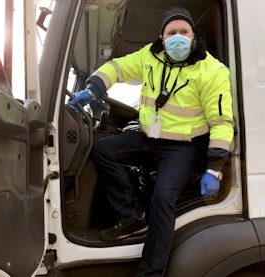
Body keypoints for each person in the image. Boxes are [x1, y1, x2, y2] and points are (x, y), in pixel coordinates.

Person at [69, 6, 234, 276]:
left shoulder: (212, 71)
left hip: (181, 147)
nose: (178, 37)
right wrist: (93, 88)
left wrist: (214, 167)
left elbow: (221, 123)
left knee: (163, 198)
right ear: (162, 37)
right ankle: (132, 216)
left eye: (184, 32)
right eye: (172, 33)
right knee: (102, 150)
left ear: (194, 37)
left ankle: (151, 272)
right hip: (149, 137)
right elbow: (117, 67)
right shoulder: (150, 56)